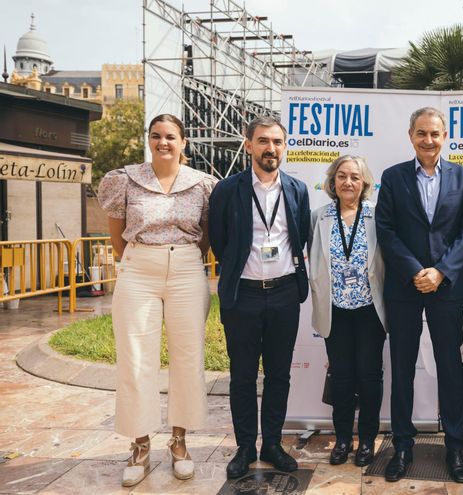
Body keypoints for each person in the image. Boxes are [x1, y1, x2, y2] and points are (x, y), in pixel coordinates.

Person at [97, 114, 217, 487]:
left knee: (188, 357)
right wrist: (143, 260)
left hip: (186, 269)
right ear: (148, 140)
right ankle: (140, 445)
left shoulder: (203, 184)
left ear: (183, 142)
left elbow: (206, 235)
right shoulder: (125, 179)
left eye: (170, 136)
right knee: (135, 359)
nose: (163, 142)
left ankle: (179, 442)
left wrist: (182, 259)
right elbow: (117, 235)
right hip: (139, 270)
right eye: (156, 136)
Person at [375, 107, 463, 483]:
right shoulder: (393, 177)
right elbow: (386, 230)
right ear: (411, 136)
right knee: (402, 369)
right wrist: (415, 271)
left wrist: (441, 271)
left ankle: (455, 447)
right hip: (404, 287)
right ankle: (402, 446)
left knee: (450, 368)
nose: (428, 140)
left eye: (435, 134)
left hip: (446, 287)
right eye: (421, 133)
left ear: (444, 136)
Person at [208, 116, 310, 479]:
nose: (271, 148)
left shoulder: (297, 189)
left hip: (284, 293)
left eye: (277, 142)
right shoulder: (227, 189)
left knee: (279, 375)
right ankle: (245, 447)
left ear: (284, 147)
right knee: (242, 376)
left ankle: (273, 444)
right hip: (244, 296)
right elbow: (219, 240)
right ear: (249, 144)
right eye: (263, 141)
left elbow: (301, 235)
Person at [308, 155, 386, 467]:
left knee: (369, 376)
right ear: (333, 181)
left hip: (370, 310)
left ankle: (367, 439)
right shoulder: (319, 217)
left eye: (355, 177)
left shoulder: (377, 215)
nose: (348, 182)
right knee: (341, 377)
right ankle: (342, 439)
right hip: (335, 310)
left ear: (364, 182)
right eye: (342, 176)